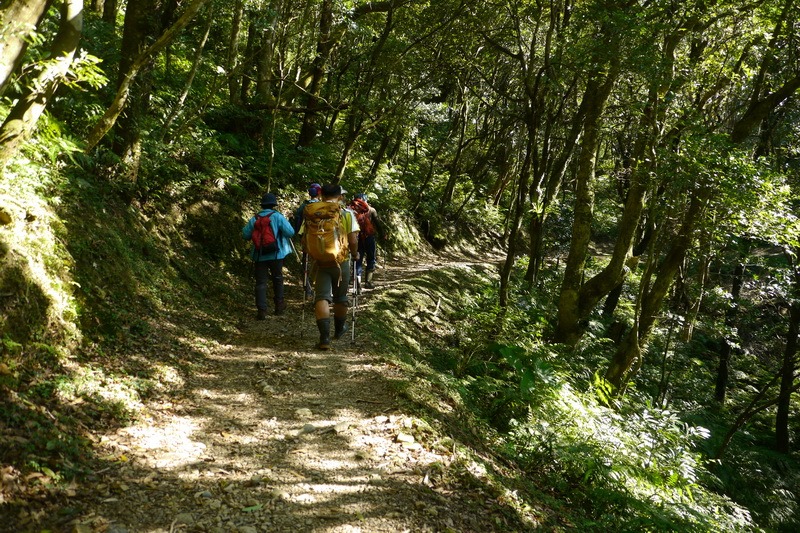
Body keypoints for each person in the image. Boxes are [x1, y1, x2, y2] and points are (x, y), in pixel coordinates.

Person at [301, 183, 359, 350]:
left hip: (320, 261)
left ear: (321, 195)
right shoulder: (346, 214)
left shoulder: (312, 212)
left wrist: (311, 253)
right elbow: (353, 240)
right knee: (340, 298)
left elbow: (304, 238)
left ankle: (324, 338)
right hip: (341, 261)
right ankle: (339, 329)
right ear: (340, 196)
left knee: (322, 297)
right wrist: (355, 254)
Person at [242, 193, 295, 319]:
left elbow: (245, 235)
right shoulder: (277, 216)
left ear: (262, 205)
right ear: (273, 205)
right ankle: (279, 306)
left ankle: (261, 310)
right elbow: (290, 232)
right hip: (276, 254)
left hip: (259, 255)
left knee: (260, 282)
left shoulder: (255, 218)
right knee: (277, 279)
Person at [293, 183, 322, 297]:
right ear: (319, 193)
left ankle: (307, 288)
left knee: (305, 262)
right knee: (318, 262)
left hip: (306, 237)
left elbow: (298, 221)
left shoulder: (303, 206)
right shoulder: (322, 206)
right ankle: (318, 288)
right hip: (320, 238)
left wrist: (298, 235)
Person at [349, 193, 382, 290]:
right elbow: (377, 224)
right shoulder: (371, 210)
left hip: (356, 237)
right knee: (371, 258)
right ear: (365, 200)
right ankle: (368, 282)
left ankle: (357, 282)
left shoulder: (350, 210)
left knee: (357, 259)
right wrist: (383, 234)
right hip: (369, 237)